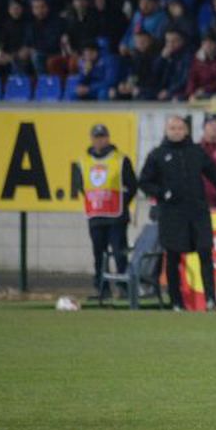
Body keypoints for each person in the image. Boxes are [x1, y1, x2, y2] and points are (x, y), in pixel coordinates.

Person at [138, 115, 216, 312]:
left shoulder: (196, 151)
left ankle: (211, 300)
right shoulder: (157, 154)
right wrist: (162, 194)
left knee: (205, 253)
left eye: (180, 128)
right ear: (166, 131)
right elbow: (144, 181)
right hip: (171, 214)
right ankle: (176, 302)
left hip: (198, 212)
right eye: (172, 128)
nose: (176, 131)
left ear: (186, 130)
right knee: (172, 257)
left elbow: (213, 172)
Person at [71, 124, 138, 300]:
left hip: (116, 215)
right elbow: (80, 186)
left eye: (102, 137)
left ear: (108, 138)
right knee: (98, 254)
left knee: (119, 252)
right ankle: (102, 288)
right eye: (96, 137)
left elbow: (132, 185)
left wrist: (121, 203)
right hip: (96, 215)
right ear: (92, 139)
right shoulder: (83, 161)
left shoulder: (120, 159)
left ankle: (123, 287)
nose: (100, 140)